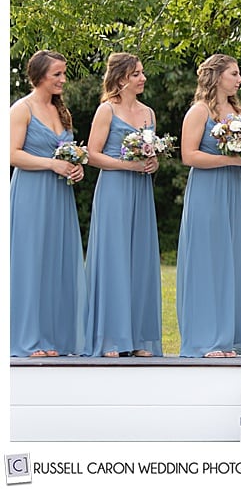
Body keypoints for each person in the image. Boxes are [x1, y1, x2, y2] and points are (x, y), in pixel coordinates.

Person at [176, 54, 241, 358]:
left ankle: (236, 337)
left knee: (237, 260)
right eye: (234, 74)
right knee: (208, 262)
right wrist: (230, 159)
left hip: (236, 191)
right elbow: (189, 156)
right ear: (218, 76)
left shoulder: (239, 111)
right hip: (208, 192)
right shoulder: (199, 111)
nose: (239, 79)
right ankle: (207, 339)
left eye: (239, 74)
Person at [83, 53, 163, 358]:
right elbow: (91, 154)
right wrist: (125, 165)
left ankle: (140, 337)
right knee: (114, 258)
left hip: (141, 190)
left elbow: (150, 154)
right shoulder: (107, 110)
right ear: (120, 80)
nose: (142, 78)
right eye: (136, 75)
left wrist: (152, 163)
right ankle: (111, 339)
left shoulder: (148, 113)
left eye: (142, 73)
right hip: (115, 188)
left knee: (140, 258)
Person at [9, 49, 87, 357]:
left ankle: (54, 337)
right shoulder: (21, 109)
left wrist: (73, 166)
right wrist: (51, 164)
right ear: (39, 75)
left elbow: (65, 152)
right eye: (57, 74)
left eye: (63, 73)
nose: (62, 80)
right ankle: (28, 338)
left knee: (57, 262)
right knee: (31, 263)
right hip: (31, 193)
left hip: (59, 195)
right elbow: (12, 154)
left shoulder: (60, 111)